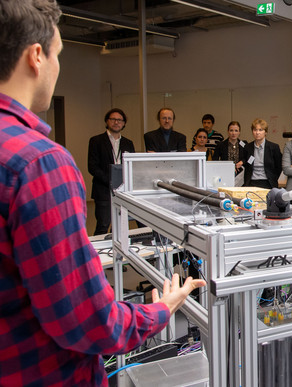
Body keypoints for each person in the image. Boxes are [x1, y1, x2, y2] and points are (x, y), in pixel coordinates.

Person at [0, 1, 205, 385]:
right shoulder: (39, 164)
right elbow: (90, 321)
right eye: (59, 54)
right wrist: (161, 310)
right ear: (36, 56)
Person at [88, 108, 135, 235]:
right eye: (113, 119)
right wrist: (109, 180)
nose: (116, 122)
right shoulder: (96, 141)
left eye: (120, 120)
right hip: (103, 189)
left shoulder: (128, 143)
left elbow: (132, 165)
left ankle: (117, 253)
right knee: (103, 224)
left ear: (124, 123)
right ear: (107, 121)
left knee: (120, 225)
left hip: (122, 189)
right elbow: (92, 166)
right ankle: (98, 253)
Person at [243, 118, 282, 189]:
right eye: (255, 130)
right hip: (251, 182)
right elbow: (247, 166)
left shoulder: (273, 147)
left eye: (260, 130)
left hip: (268, 183)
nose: (257, 132)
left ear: (266, 132)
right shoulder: (247, 147)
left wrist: (273, 178)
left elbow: (279, 167)